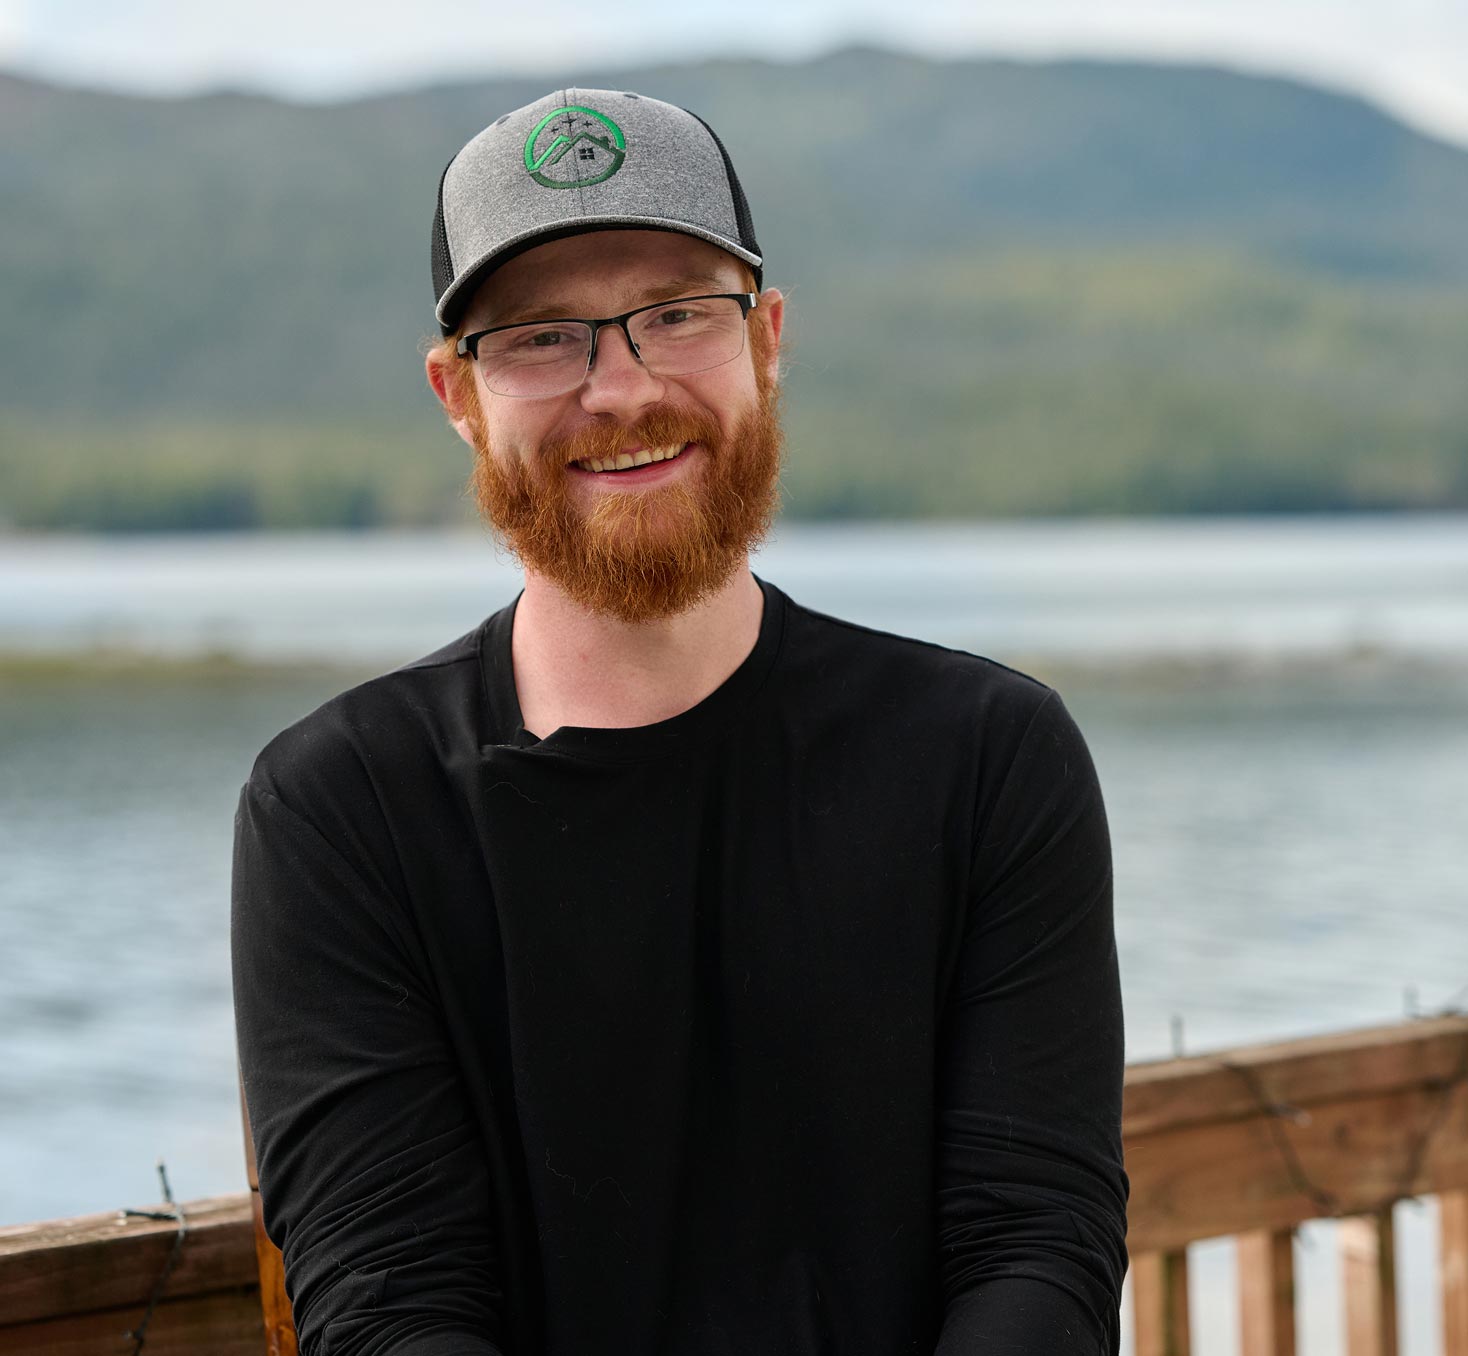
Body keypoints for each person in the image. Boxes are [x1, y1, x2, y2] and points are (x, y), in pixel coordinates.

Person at [231, 87, 1129, 1356]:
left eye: (675, 315)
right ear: (456, 394)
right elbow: (391, 1300)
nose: (621, 389)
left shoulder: (983, 753)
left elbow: (1036, 1241)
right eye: (542, 338)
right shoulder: (342, 806)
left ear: (766, 340)